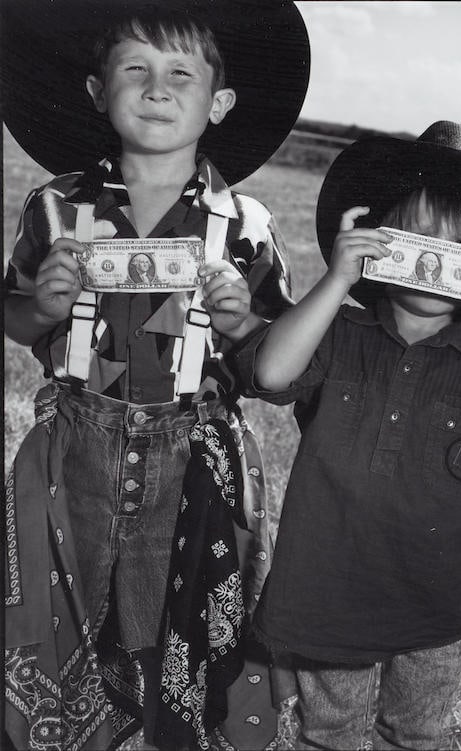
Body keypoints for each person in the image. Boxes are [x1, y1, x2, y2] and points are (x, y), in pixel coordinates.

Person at [1, 1, 309, 748]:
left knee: (174, 629)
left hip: (193, 462)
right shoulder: (56, 208)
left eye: (181, 73)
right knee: (70, 615)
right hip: (75, 444)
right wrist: (40, 305)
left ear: (220, 102)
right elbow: (15, 322)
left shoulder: (247, 227)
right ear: (97, 90)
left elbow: (277, 371)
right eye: (134, 69)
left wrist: (240, 323)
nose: (157, 88)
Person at [228, 120, 461, 750]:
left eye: (456, 248)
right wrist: (335, 279)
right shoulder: (337, 334)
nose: (431, 258)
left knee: (417, 734)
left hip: (434, 607)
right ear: (377, 244)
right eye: (414, 238)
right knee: (328, 731)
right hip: (328, 589)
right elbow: (269, 369)